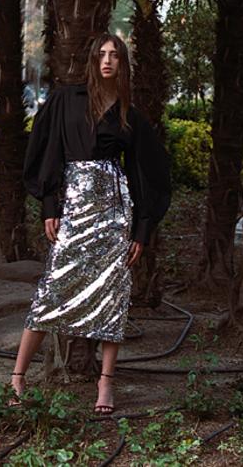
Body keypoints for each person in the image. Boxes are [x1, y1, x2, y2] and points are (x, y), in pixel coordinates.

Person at [10, 33, 171, 414]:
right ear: (92, 59)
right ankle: (17, 377)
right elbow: (46, 149)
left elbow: (149, 171)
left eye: (115, 55)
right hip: (74, 210)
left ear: (123, 63)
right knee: (49, 292)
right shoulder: (67, 98)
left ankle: (106, 384)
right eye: (101, 54)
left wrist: (142, 229)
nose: (108, 60)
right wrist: (50, 205)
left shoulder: (129, 111)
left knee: (114, 297)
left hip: (115, 215)